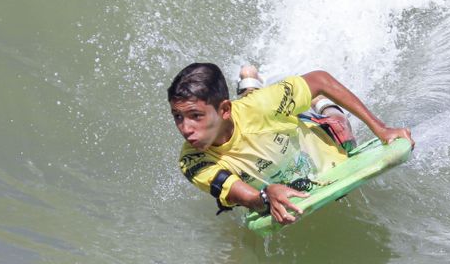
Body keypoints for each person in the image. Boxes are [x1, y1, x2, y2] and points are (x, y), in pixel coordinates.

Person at [168, 62, 412, 225]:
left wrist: (380, 128)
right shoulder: (193, 161)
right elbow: (243, 196)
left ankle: (317, 103)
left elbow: (320, 79)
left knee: (339, 124)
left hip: (316, 139)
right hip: (261, 121)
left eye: (196, 116)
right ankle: (249, 82)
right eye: (178, 117)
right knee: (255, 109)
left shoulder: (263, 106)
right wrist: (265, 196)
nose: (185, 129)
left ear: (223, 110)